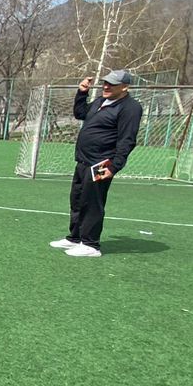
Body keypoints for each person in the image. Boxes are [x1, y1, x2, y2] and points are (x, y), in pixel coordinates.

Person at [51, 69, 144, 259]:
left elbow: (127, 140)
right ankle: (75, 237)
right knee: (77, 199)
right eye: (105, 83)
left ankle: (90, 244)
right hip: (83, 160)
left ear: (124, 87)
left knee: (92, 203)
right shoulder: (100, 101)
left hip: (101, 163)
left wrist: (114, 166)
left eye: (112, 84)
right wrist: (82, 93)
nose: (106, 86)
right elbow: (80, 113)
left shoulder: (130, 108)